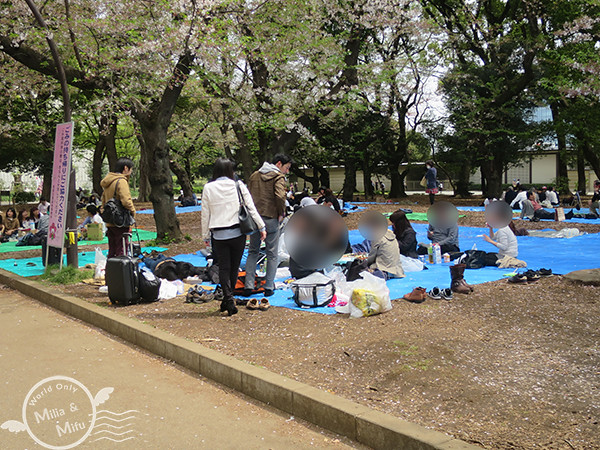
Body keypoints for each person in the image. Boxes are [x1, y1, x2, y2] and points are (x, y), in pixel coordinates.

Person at [201, 158, 266, 315]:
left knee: (224, 267)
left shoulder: (208, 188)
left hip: (219, 235)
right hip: (238, 233)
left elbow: (205, 213)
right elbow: (251, 208)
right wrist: (261, 226)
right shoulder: (238, 185)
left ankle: (227, 299)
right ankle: (229, 299)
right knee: (235, 267)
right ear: (231, 170)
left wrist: (205, 235)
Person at [244, 154, 291, 297]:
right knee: (272, 254)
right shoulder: (278, 177)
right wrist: (281, 213)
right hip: (271, 218)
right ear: (279, 164)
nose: (287, 171)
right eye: (287, 168)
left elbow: (248, 196)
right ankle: (269, 287)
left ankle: (248, 285)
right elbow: (280, 196)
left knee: (253, 252)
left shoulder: (254, 175)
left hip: (255, 219)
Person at [101, 157, 136, 258]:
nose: (131, 171)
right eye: (131, 168)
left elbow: (103, 200)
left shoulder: (108, 181)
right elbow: (126, 201)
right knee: (122, 248)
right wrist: (133, 212)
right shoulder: (121, 181)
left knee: (112, 249)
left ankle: (111, 271)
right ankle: (121, 271)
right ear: (125, 168)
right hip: (120, 220)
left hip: (109, 220)